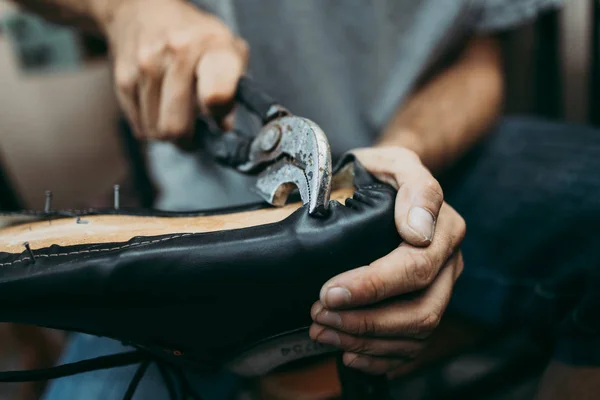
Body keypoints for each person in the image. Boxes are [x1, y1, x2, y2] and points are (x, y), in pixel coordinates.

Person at [11, 0, 600, 399]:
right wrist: (125, 10)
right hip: (197, 219)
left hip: (414, 163)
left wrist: (402, 155)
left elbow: (480, 60)